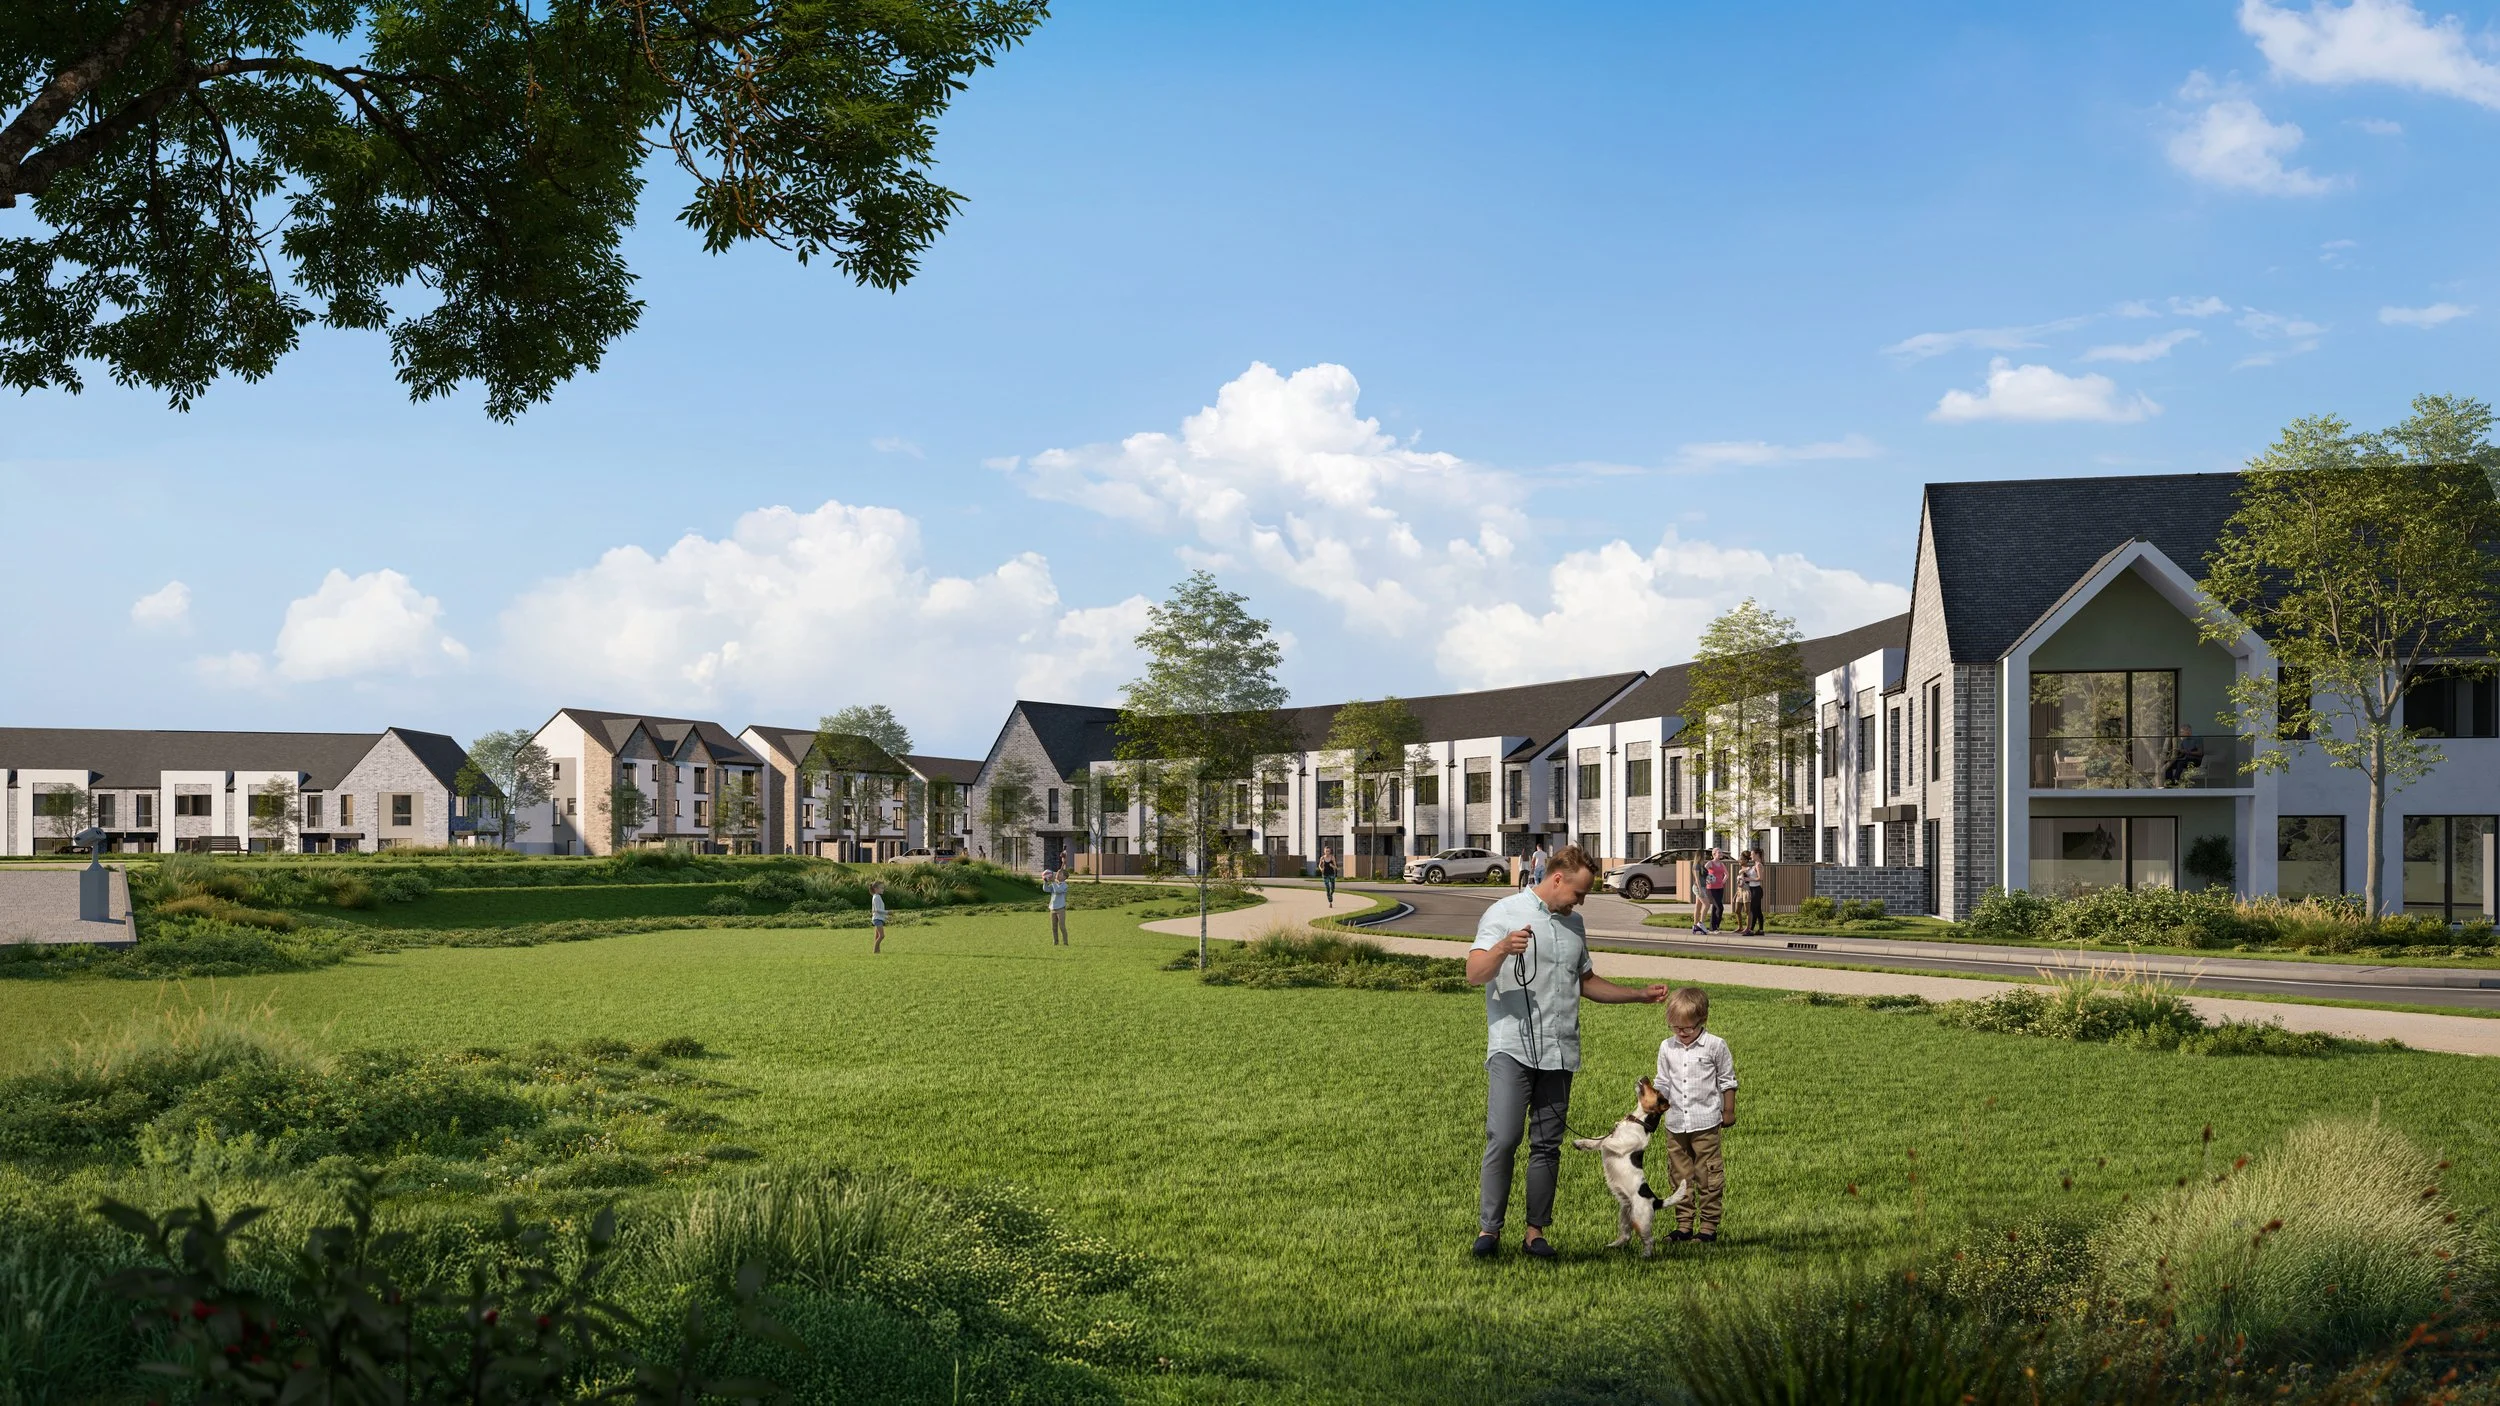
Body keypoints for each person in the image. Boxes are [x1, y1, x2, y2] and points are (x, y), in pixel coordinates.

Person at [1467, 846, 1673, 1260]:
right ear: (1557, 878)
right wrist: (1504, 948)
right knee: (1504, 1138)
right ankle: (1490, 1230)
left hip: (1560, 1050)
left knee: (1547, 1145)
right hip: (1513, 1046)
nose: (1580, 902)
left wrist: (1637, 995)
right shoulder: (1503, 913)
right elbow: (1474, 974)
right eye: (1578, 893)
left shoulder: (1574, 924)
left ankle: (1535, 1233)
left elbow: (1586, 982)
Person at [1653, 986, 1738, 1243]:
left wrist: (1729, 1110)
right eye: (1675, 1028)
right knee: (1679, 1176)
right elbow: (1663, 1081)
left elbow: (1727, 1081)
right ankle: (1684, 1225)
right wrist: (1654, 1101)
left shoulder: (1715, 1046)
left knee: (1708, 1175)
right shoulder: (1667, 1047)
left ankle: (1708, 1227)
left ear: (1702, 1021)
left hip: (1706, 1123)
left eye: (1687, 1028)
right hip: (1676, 1124)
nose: (1681, 1033)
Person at [1699, 849, 1729, 933]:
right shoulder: (1710, 863)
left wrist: (1723, 881)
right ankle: (1716, 927)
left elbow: (1727, 874)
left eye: (1721, 852)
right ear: (1714, 854)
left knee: (1715, 907)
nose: (1721, 854)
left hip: (1720, 888)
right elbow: (1702, 872)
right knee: (1720, 907)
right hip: (1711, 888)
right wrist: (1707, 879)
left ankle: (1712, 928)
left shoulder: (1722, 864)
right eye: (1719, 852)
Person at [1739, 850, 1766, 935]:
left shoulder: (1758, 865)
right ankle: (1761, 930)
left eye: (1752, 854)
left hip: (1756, 890)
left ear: (1757, 854)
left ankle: (1750, 930)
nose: (1750, 856)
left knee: (1752, 910)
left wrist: (1749, 879)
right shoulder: (1755, 865)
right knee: (1757, 910)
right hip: (1753, 889)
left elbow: (1760, 878)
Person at [1046, 868, 1070, 945]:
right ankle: (1055, 942)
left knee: (1062, 926)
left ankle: (1065, 943)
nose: (1057, 875)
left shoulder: (1065, 885)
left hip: (1060, 909)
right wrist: (1045, 881)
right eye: (1057, 873)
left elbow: (1058, 891)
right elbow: (1046, 889)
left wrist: (1053, 882)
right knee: (1054, 927)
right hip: (1052, 908)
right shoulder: (1054, 884)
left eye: (1060, 874)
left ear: (1065, 877)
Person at [869, 880, 888, 954]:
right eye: (881, 888)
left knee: (877, 936)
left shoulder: (877, 897)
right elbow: (877, 910)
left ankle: (877, 951)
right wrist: (888, 912)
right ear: (876, 889)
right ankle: (875, 950)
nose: (883, 889)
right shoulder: (876, 897)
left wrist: (885, 917)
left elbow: (878, 910)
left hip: (879, 918)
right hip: (877, 919)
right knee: (882, 936)